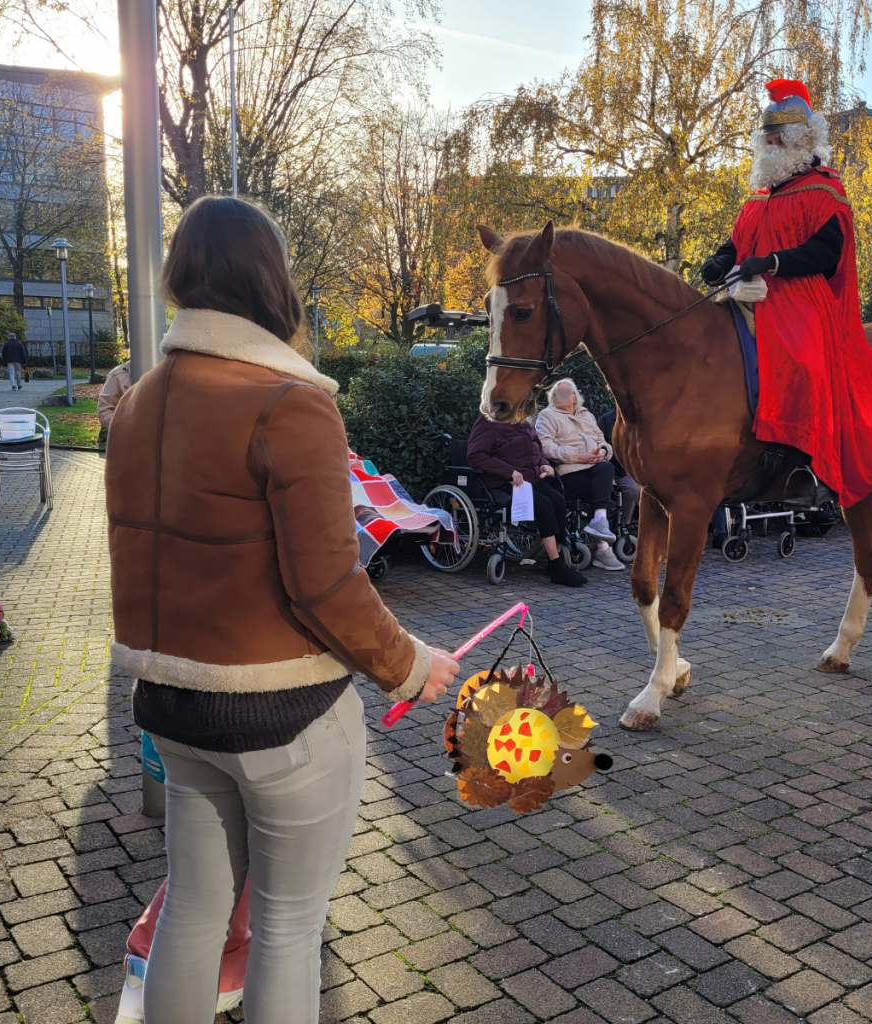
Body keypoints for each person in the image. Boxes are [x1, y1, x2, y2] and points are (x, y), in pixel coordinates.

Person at [105, 195, 459, 1024]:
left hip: (171, 709)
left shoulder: (137, 406)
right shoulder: (289, 402)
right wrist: (412, 663)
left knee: (193, 913)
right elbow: (327, 586)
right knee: (290, 929)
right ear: (273, 280)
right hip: (284, 715)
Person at [699, 79, 872, 510]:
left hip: (798, 297)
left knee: (804, 361)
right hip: (744, 290)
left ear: (798, 140)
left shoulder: (826, 190)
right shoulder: (757, 197)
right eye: (765, 140)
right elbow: (738, 242)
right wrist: (719, 259)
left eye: (775, 139)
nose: (768, 146)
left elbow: (826, 253)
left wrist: (772, 263)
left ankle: (809, 466)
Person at [466, 411, 587, 586]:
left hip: (532, 479)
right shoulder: (489, 421)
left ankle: (557, 556)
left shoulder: (525, 421)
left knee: (558, 500)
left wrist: (544, 464)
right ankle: (556, 565)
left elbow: (536, 449)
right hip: (505, 483)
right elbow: (475, 456)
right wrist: (508, 472)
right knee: (544, 505)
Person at [535, 380, 623, 572]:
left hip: (593, 467)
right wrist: (577, 456)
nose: (564, 397)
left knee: (607, 468)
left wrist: (602, 452)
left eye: (568, 393)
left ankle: (600, 521)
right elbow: (545, 447)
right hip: (567, 472)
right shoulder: (547, 416)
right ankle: (603, 549)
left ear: (575, 397)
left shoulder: (587, 415)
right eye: (559, 393)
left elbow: (603, 442)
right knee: (600, 493)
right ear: (554, 397)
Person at [595, 406, 642, 528]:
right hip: (606, 469)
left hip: (629, 472)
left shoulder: (640, 421)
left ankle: (623, 526)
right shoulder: (605, 420)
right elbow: (597, 445)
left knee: (633, 489)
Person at [98, 360, 132, 431]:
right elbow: (105, 411)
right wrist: (126, 425)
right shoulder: (117, 375)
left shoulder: (160, 373)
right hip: (127, 437)